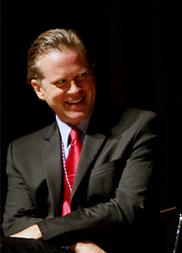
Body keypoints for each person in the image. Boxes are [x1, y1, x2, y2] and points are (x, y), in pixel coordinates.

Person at [1, 29, 158, 253]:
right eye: (62, 82)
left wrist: (45, 230)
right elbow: (15, 224)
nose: (75, 90)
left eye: (81, 76)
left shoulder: (137, 126)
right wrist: (75, 246)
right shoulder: (22, 150)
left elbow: (128, 207)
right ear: (39, 89)